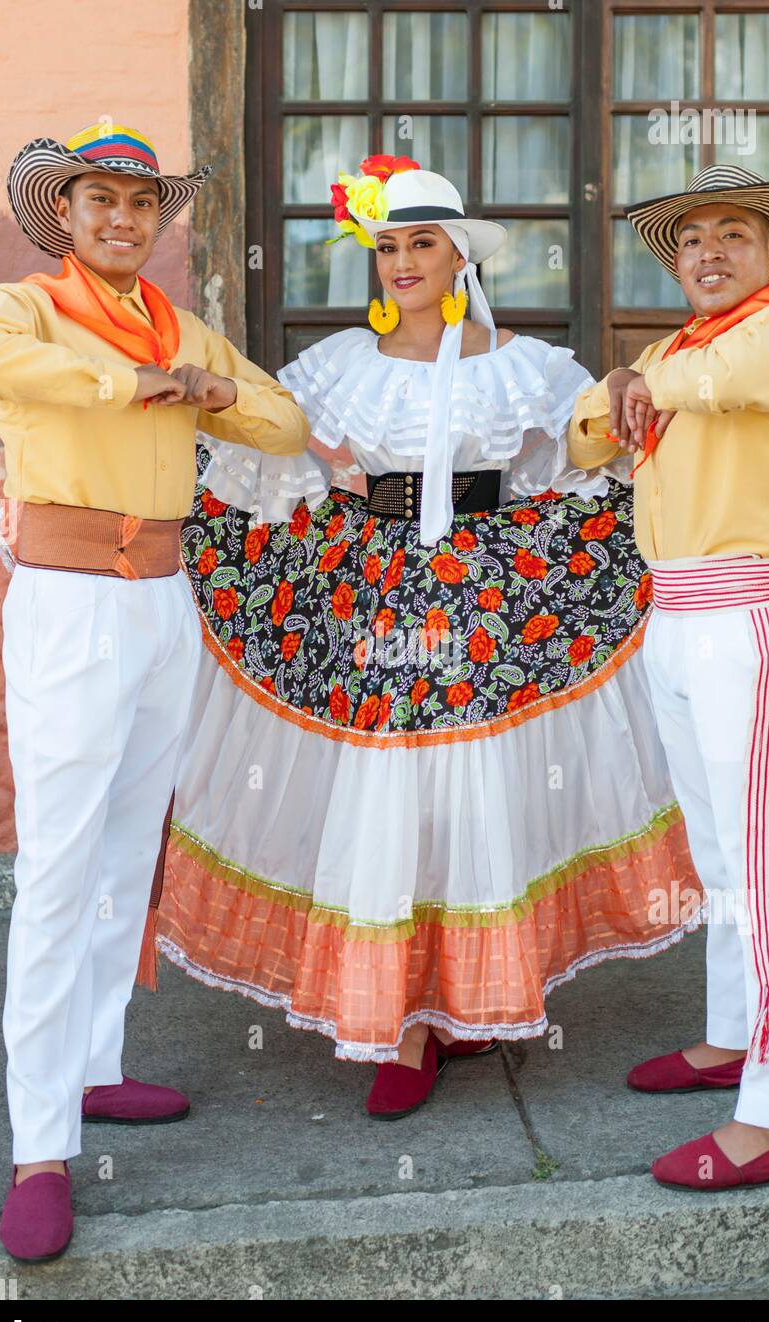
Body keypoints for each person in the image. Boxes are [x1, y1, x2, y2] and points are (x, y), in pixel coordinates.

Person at [140, 157, 705, 1119]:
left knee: (474, 790)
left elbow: (576, 456)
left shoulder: (525, 364)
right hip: (378, 585)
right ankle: (401, 1020)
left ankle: (462, 1004)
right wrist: (207, 411)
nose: (402, 262)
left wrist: (623, 385)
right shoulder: (339, 365)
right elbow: (276, 448)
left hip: (487, 588)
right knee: (395, 783)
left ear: (457, 258)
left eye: (422, 245)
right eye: (389, 246)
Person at [0, 121, 311, 1261]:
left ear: (160, 222)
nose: (121, 220)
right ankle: (39, 1143)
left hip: (163, 601)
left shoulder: (180, 322)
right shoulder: (25, 310)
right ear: (64, 214)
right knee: (58, 862)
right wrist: (131, 381)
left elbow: (283, 422)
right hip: (68, 600)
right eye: (100, 201)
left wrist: (202, 384)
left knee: (123, 848)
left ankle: (95, 1067)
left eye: (142, 205)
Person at [567, 164, 769, 1191]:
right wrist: (621, 393)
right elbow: (581, 434)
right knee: (717, 849)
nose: (707, 251)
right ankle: (736, 1035)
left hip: (754, 615)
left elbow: (701, 388)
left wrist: (637, 391)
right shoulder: (663, 353)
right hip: (678, 613)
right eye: (690, 238)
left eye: (732, 233)